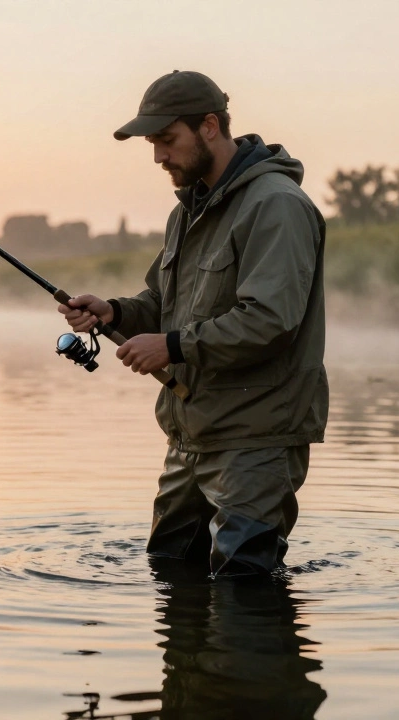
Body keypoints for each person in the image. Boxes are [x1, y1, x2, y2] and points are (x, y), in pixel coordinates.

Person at [59, 70, 327, 576]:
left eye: (166, 140)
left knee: (243, 587)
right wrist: (113, 312)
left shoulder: (277, 205)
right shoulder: (187, 212)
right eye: (152, 143)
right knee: (167, 567)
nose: (158, 156)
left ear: (209, 126)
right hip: (190, 432)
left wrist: (173, 347)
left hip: (256, 437)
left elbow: (273, 321)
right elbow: (164, 302)